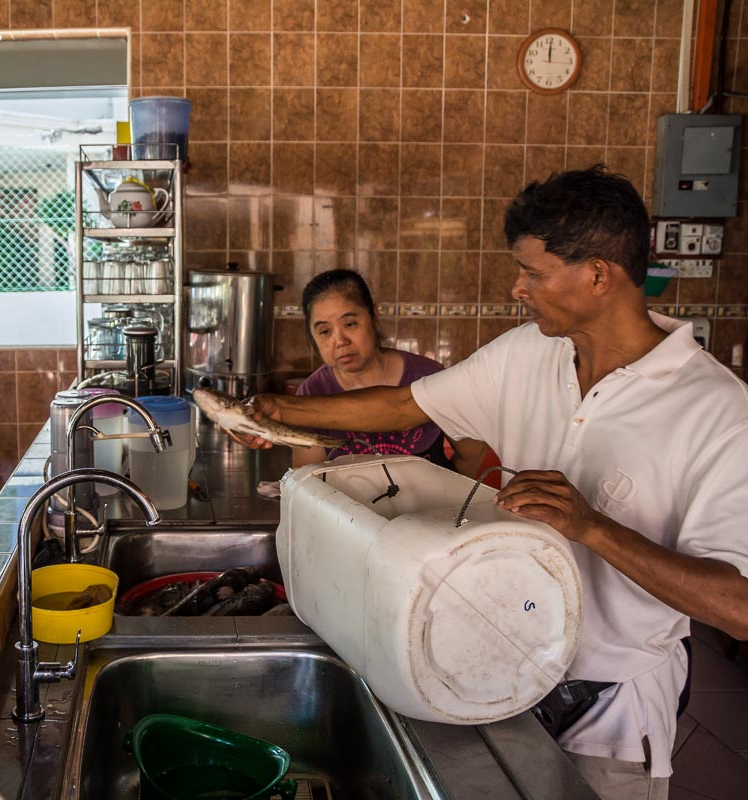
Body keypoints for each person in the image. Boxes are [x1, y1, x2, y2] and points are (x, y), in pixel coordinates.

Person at [240, 166, 748, 800]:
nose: (517, 289)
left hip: (613, 709)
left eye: (533, 273)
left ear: (597, 274)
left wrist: (592, 528)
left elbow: (739, 606)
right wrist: (278, 413)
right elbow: (405, 406)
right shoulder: (526, 355)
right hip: (499, 664)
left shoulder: (720, 412)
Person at [292, 268, 488, 476]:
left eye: (350, 324)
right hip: (345, 508)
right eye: (324, 331)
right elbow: (308, 481)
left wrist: (445, 498)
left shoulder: (428, 376)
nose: (340, 341)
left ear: (374, 317)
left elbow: (472, 454)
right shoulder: (312, 394)